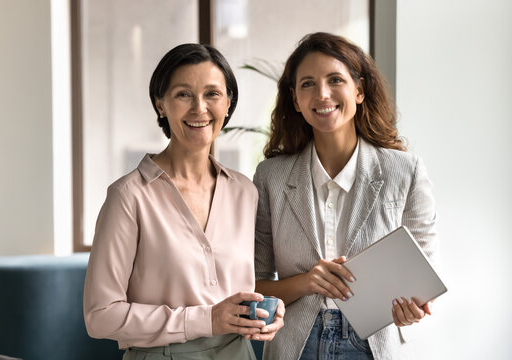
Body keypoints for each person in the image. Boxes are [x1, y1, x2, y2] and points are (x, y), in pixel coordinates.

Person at [83, 43, 284, 360]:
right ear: (160, 104)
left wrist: (267, 313)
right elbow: (100, 316)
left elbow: (249, 284)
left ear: (228, 104)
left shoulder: (245, 191)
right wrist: (206, 319)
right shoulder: (128, 196)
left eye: (212, 94)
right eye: (183, 94)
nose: (199, 108)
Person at [253, 32, 438, 360]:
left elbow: (424, 282)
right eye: (307, 84)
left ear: (359, 90)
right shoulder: (271, 177)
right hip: (295, 344)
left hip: (372, 345)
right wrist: (309, 282)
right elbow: (256, 284)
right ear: (295, 100)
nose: (322, 94)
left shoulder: (404, 171)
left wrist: (414, 310)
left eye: (335, 79)